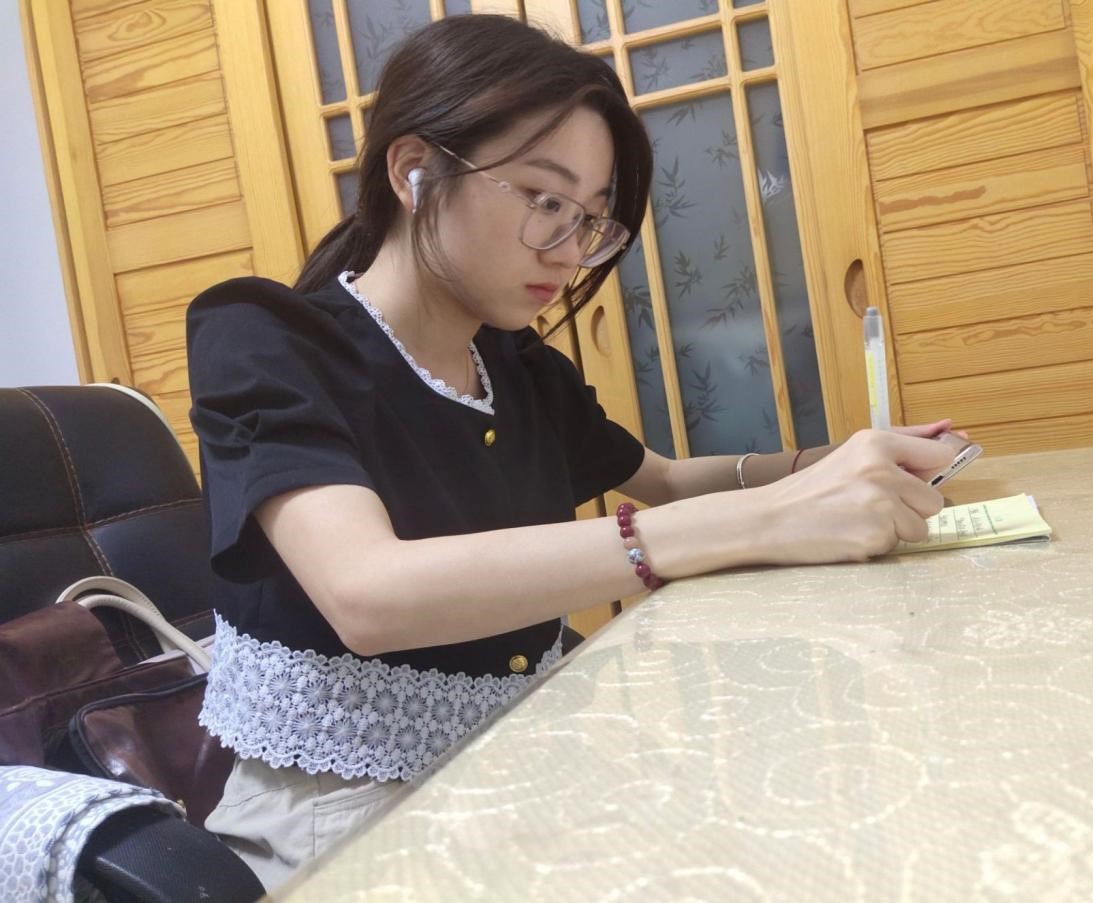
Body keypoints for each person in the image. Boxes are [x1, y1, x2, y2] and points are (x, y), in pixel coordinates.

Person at [186, 14, 957, 891]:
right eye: (544, 201)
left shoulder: (512, 364)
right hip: (345, 808)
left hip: (520, 757)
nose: (569, 249)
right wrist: (760, 521)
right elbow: (368, 593)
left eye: (591, 219)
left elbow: (665, 479)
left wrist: (827, 465)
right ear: (413, 170)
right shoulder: (263, 337)